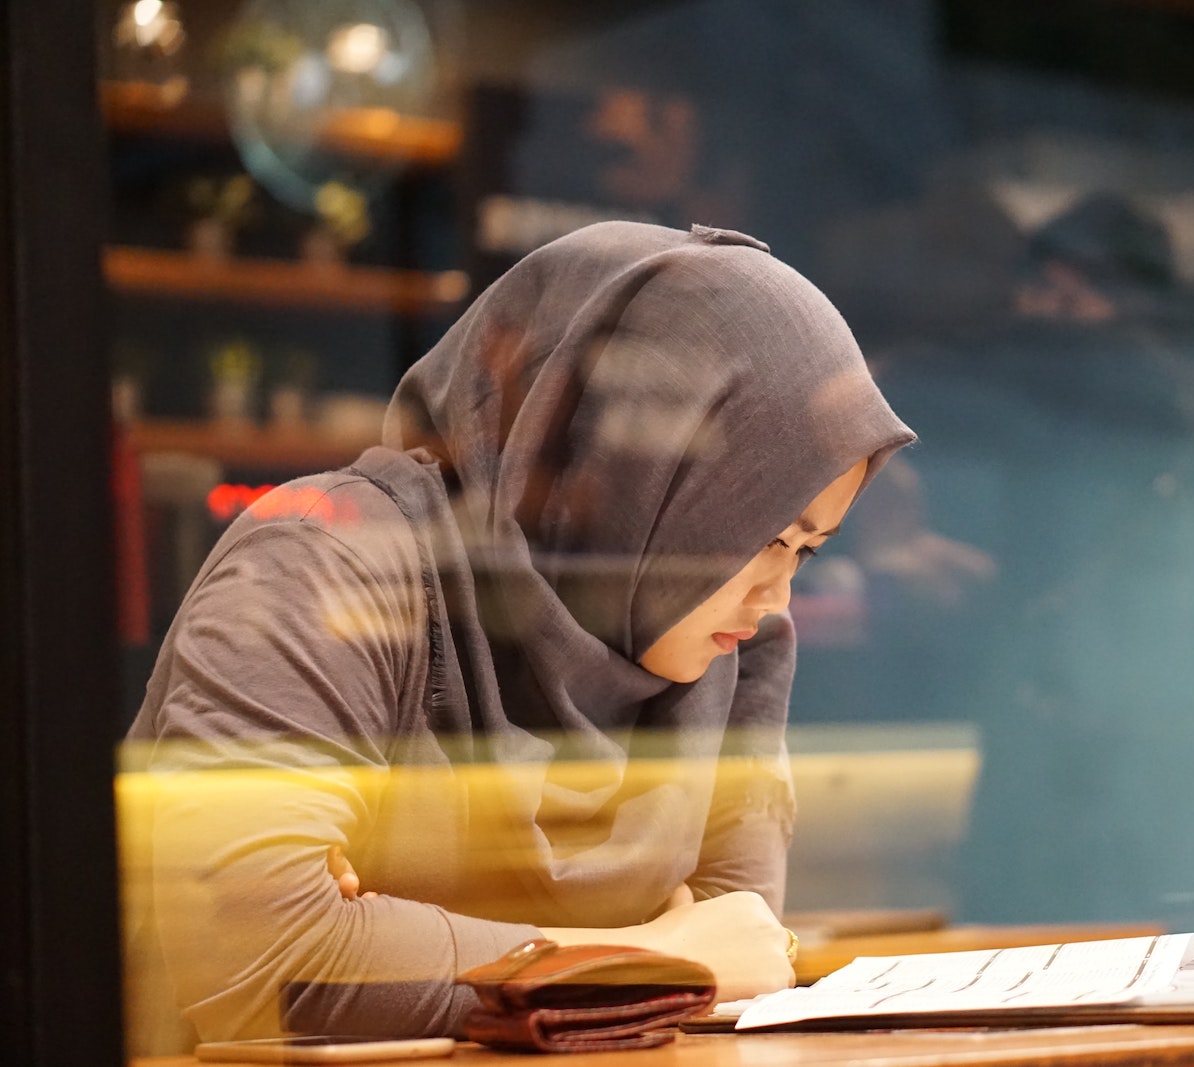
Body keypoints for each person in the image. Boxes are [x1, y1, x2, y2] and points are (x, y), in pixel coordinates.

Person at [121, 220, 915, 1047]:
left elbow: (741, 943)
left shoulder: (730, 645)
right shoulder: (323, 565)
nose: (776, 591)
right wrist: (648, 959)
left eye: (806, 549)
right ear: (632, 471)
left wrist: (402, 944)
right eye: (761, 535)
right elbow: (264, 959)